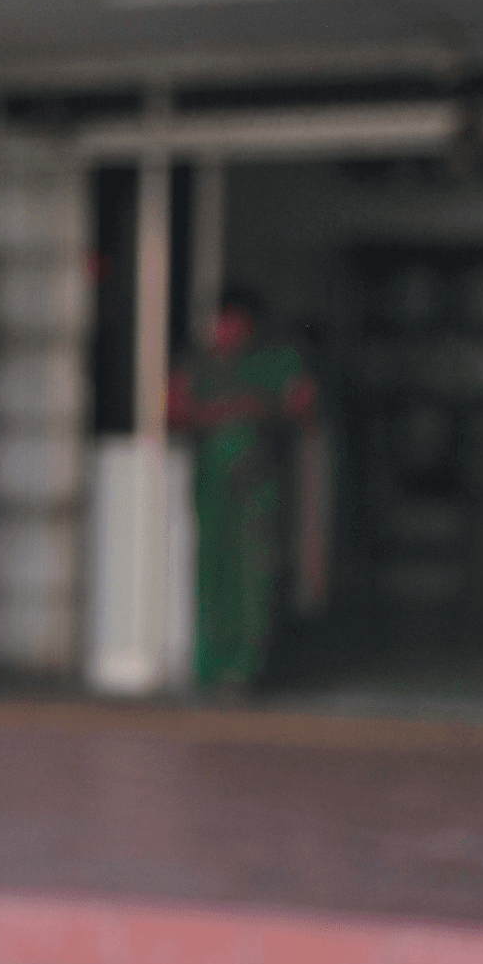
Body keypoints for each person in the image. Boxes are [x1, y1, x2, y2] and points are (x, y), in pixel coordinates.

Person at [168, 285, 318, 693]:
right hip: (212, 486)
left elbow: (304, 404)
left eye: (230, 322)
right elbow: (173, 408)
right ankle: (210, 665)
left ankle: (246, 666)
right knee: (211, 572)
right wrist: (222, 411)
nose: (221, 331)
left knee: (253, 575)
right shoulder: (198, 364)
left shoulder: (276, 360)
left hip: (257, 487)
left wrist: (257, 408)